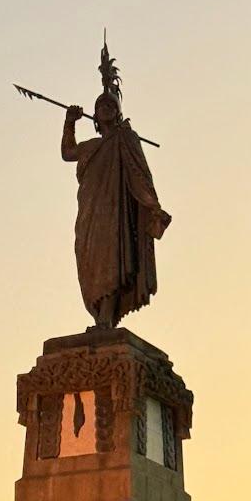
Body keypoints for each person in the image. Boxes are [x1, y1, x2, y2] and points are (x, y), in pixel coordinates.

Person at [61, 48, 170, 328]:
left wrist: (151, 205)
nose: (105, 109)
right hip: (89, 213)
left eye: (111, 106)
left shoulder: (126, 139)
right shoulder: (91, 147)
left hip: (114, 210)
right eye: (101, 106)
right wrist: (69, 122)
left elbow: (139, 174)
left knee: (111, 257)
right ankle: (99, 316)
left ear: (118, 113)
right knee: (88, 258)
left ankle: (106, 319)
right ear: (95, 115)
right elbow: (68, 152)